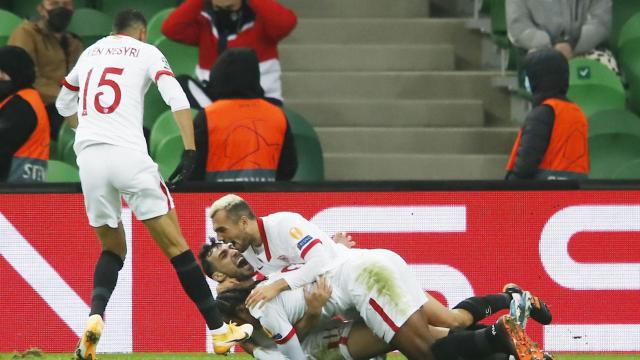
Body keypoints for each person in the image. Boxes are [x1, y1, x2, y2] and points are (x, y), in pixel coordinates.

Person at [54, 10, 252, 359]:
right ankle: (220, 332)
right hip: (129, 157)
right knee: (176, 248)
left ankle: (95, 318)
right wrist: (189, 150)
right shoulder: (146, 52)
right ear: (142, 32)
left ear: (113, 31)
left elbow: (62, 103)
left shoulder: (90, 52)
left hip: (90, 160)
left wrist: (84, 129)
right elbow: (177, 97)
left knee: (113, 249)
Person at [207, 194, 548, 359]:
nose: (224, 241)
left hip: (363, 278)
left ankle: (500, 333)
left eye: (223, 233)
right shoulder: (254, 263)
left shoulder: (281, 225)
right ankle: (512, 313)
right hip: (361, 275)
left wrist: (289, 282)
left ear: (243, 220)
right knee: (450, 324)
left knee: (427, 352)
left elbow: (318, 260)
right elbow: (307, 271)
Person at [161, 0, 297, 104]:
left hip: (260, 100)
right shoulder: (205, 25)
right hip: (216, 102)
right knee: (180, 84)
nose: (224, 12)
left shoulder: (263, 25)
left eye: (230, 8)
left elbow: (285, 23)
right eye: (219, 8)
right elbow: (171, 28)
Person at [191, 48, 297, 182]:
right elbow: (288, 168)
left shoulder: (207, 116)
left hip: (216, 201)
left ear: (218, 76)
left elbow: (192, 169)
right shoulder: (277, 115)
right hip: (266, 199)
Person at [506, 48, 589, 180]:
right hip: (573, 191)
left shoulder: (543, 113)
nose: (527, 80)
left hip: (544, 193)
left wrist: (506, 189)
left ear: (538, 77)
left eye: (529, 75)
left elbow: (526, 163)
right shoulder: (577, 112)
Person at [8, 0, 84, 139]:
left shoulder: (74, 42)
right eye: (54, 4)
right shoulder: (26, 34)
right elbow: (24, 78)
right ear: (41, 9)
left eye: (66, 5)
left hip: (68, 102)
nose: (61, 9)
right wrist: (64, 95)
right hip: (38, 105)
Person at [506, 0, 618, 74]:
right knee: (543, 70)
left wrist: (572, 43)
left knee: (606, 67)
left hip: (584, 47)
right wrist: (552, 44)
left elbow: (601, 23)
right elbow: (518, 28)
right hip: (541, 49)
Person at [0, 46, 50, 183]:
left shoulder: (20, 106)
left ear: (16, 73)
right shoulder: (21, 98)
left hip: (16, 192)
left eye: (3, 73)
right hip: (23, 189)